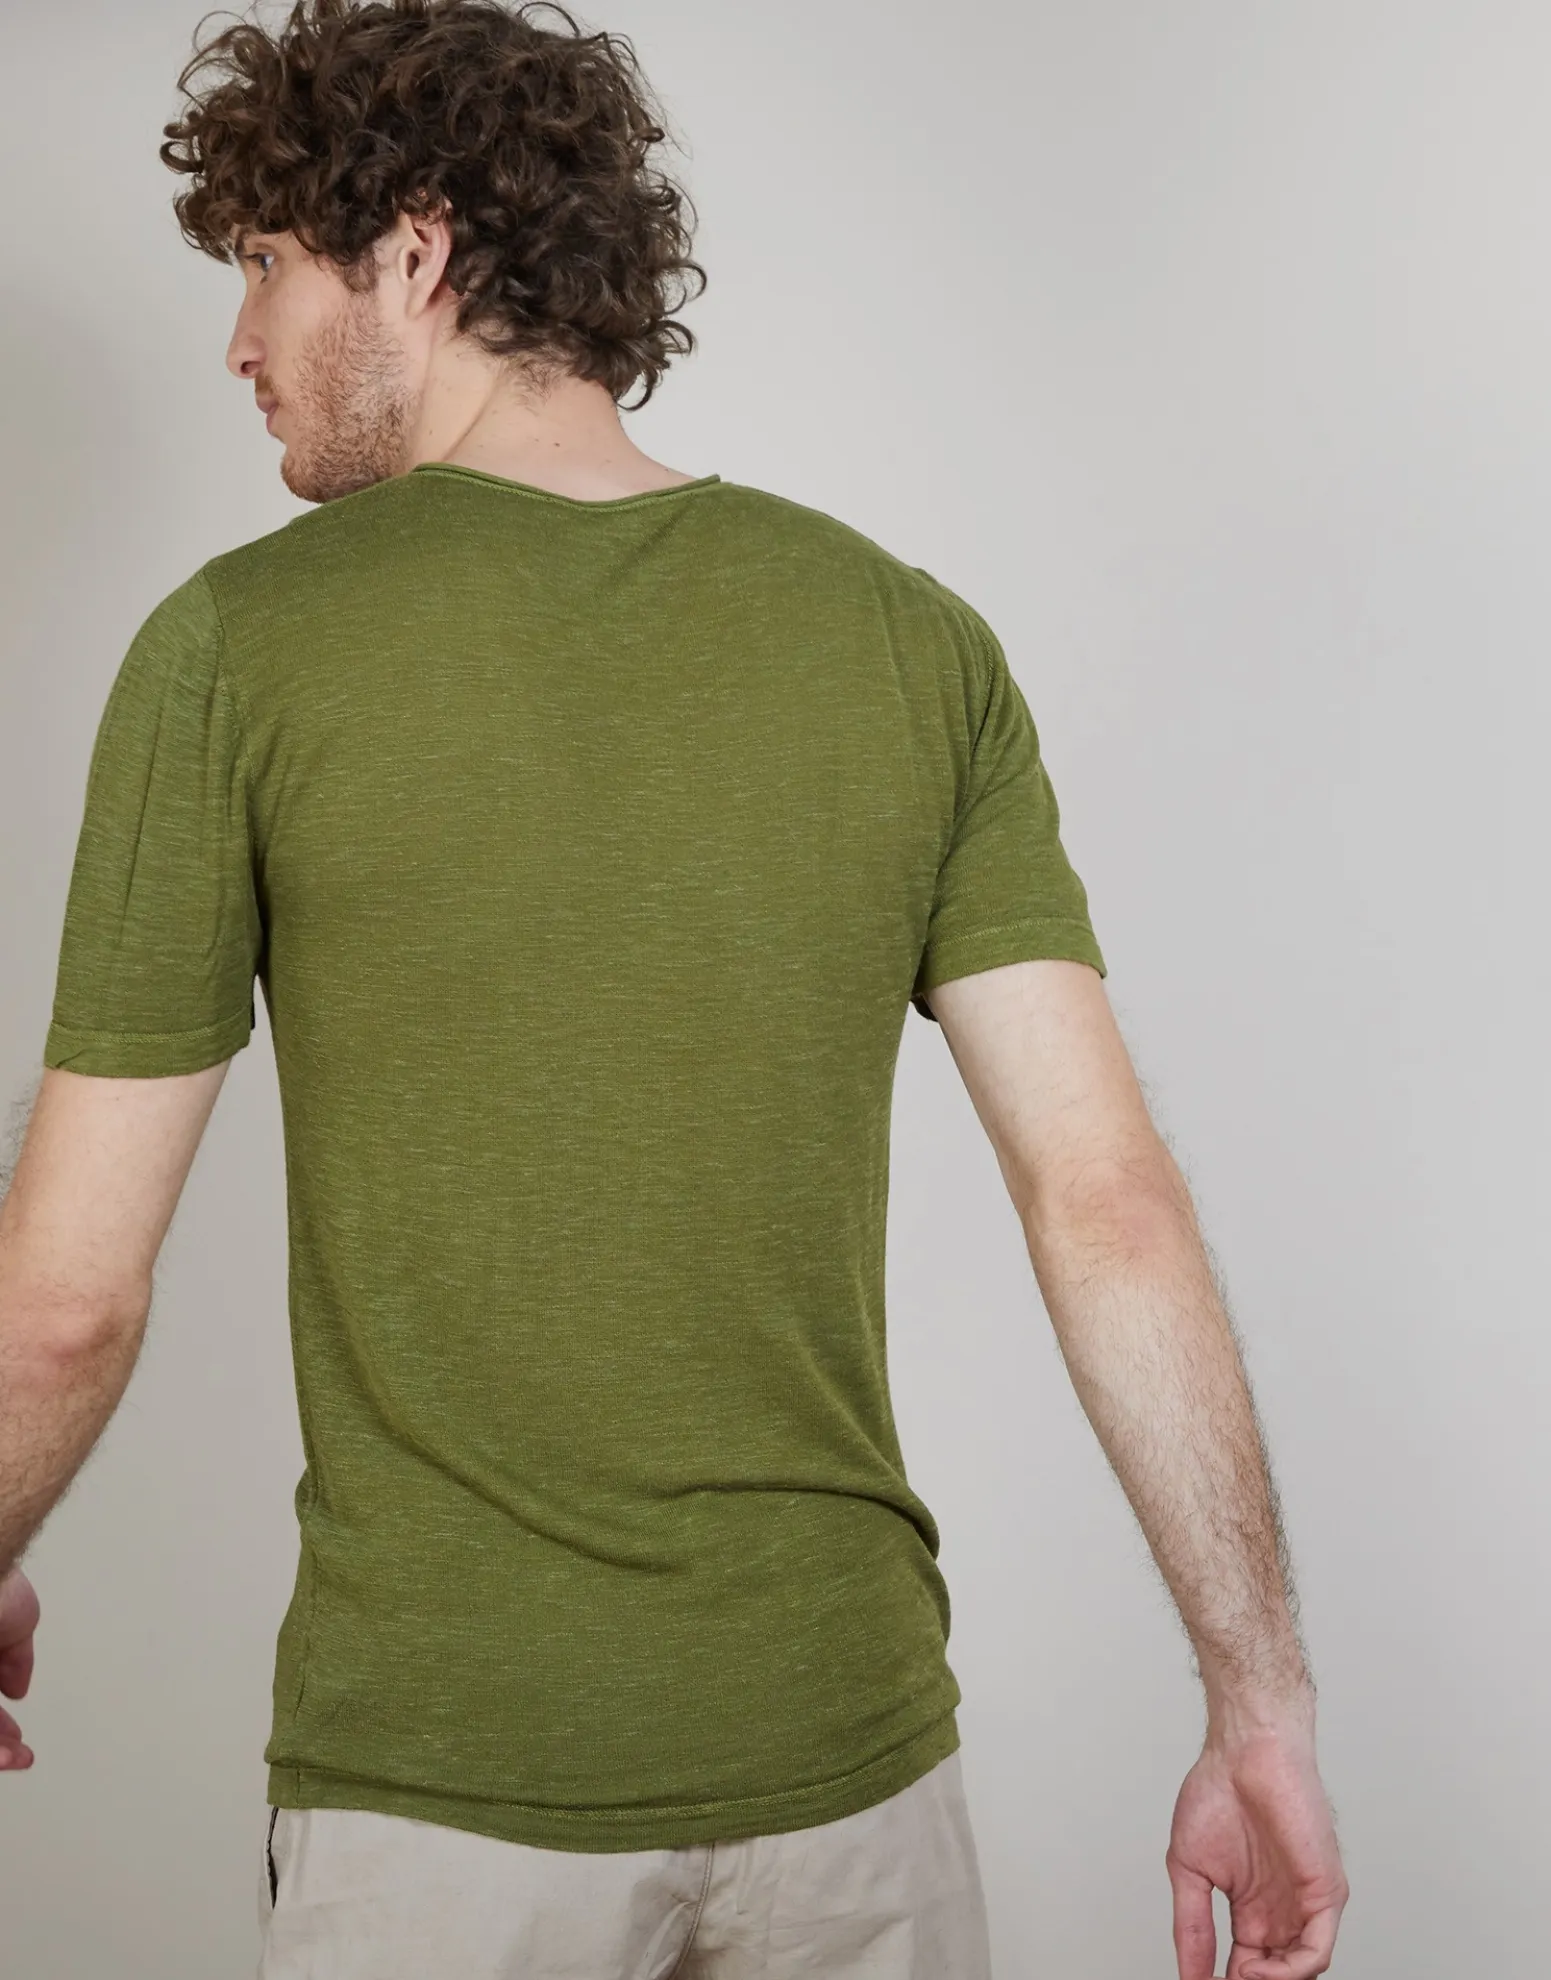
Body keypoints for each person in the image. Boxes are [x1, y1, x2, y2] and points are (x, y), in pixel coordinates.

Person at [0, 2, 1347, 1974]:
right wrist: (1259, 1703)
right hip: (858, 1798)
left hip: (448, 1807)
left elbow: (62, 1306)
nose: (238, 341)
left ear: (414, 254)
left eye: (267, 266)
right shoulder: (909, 644)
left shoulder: (234, 653)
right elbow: (1108, 1202)